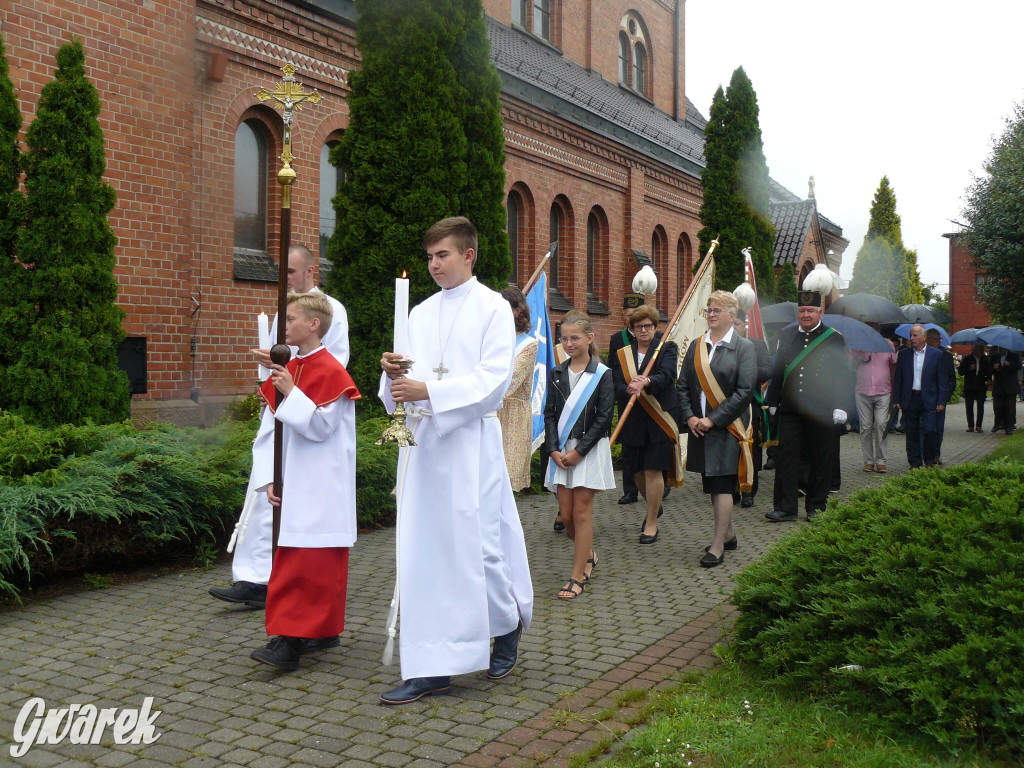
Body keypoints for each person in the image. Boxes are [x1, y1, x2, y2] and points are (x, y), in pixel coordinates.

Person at [378, 216, 533, 705]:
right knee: (426, 552)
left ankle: (504, 625)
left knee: (479, 548)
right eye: (429, 257)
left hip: (470, 447)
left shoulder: (492, 310)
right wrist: (392, 377)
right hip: (425, 450)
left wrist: (432, 390)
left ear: (469, 255)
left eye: (442, 255)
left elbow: (493, 383)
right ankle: (433, 664)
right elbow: (399, 395)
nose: (433, 264)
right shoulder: (419, 314)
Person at [210, 244, 350, 610]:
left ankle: (280, 583)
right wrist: (268, 382)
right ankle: (252, 576)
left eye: (290, 272)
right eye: (282, 273)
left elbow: (328, 363)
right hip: (281, 408)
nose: (284, 278)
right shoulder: (284, 309)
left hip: (306, 410)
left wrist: (289, 385)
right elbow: (282, 355)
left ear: (310, 271)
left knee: (287, 497)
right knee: (263, 487)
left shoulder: (331, 310)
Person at [248, 292, 361, 670]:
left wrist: (290, 393)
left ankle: (291, 641)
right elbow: (268, 430)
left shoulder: (332, 372)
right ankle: (311, 631)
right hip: (291, 477)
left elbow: (320, 427)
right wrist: (268, 477)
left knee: (313, 562)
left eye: (292, 318)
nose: (285, 326)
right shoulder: (289, 368)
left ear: (314, 325)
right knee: (293, 559)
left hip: (321, 481)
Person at [678, 291, 756, 566]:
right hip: (700, 427)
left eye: (717, 310)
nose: (710, 314)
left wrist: (714, 419)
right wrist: (690, 417)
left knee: (723, 484)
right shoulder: (697, 346)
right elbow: (683, 386)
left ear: (732, 316)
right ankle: (730, 534)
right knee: (711, 483)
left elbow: (745, 391)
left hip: (728, 428)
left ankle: (717, 545)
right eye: (709, 309)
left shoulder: (744, 348)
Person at [544, 311, 615, 599]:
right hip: (561, 450)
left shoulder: (602, 374)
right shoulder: (557, 373)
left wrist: (579, 452)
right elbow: (549, 414)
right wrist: (552, 449)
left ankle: (576, 577)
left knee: (582, 513)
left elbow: (604, 418)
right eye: (564, 339)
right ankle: (587, 555)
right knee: (568, 515)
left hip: (588, 449)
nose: (569, 343)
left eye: (575, 338)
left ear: (589, 338)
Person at [765, 291, 851, 522]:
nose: (806, 315)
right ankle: (785, 507)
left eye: (810, 311)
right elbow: (779, 370)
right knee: (786, 458)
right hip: (791, 408)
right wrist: (772, 401)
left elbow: (843, 374)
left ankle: (816, 507)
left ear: (820, 312)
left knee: (820, 459)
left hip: (822, 409)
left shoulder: (833, 337)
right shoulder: (787, 333)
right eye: (802, 311)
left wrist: (841, 406)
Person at [612, 304, 680, 544]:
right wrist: (628, 387)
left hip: (658, 416)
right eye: (639, 326)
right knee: (636, 471)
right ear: (631, 328)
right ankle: (655, 503)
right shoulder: (623, 353)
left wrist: (647, 381)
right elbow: (614, 381)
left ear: (654, 327)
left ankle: (651, 522)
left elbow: (669, 375)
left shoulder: (666, 348)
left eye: (648, 325)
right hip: (632, 418)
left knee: (653, 468)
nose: (643, 330)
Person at [892, 324, 950, 468]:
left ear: (924, 337)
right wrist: (896, 399)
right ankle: (915, 462)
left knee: (930, 430)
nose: (912, 338)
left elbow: (942, 381)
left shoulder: (936, 355)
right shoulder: (904, 354)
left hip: (929, 399)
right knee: (911, 432)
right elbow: (898, 378)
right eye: (911, 335)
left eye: (915, 335)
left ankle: (929, 461)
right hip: (911, 399)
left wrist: (942, 400)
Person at [607, 293, 645, 506]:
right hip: (625, 397)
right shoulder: (617, 339)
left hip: (649, 398)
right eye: (628, 314)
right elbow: (613, 369)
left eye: (635, 314)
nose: (631, 318)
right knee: (629, 447)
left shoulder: (656, 338)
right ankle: (630, 490)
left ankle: (659, 484)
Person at [498, 286, 537, 492]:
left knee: (505, 483)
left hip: (511, 416)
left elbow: (510, 383)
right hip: (488, 413)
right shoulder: (491, 339)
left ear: (518, 311)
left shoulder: (528, 345)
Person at [730, 310, 771, 507]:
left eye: (736, 323)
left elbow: (768, 370)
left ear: (745, 325)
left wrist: (745, 372)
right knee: (729, 448)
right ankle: (731, 489)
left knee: (750, 447)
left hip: (749, 404)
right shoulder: (719, 345)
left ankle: (748, 490)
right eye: (730, 323)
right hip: (725, 404)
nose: (733, 328)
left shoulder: (757, 345)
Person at [850, 333, 897, 473]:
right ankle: (869, 460)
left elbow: (894, 364)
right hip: (862, 391)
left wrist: (894, 389)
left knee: (881, 424)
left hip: (883, 390)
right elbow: (850, 365)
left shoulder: (887, 344)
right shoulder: (857, 345)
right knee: (865, 427)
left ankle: (881, 460)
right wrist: (859, 354)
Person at [926, 329, 956, 463]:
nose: (937, 342)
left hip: (939, 399)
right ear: (927, 340)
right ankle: (925, 454)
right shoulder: (921, 354)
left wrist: (945, 398)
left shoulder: (946, 356)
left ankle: (936, 454)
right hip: (924, 398)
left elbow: (952, 380)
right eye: (934, 340)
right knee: (925, 428)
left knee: (938, 428)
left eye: (938, 340)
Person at [959, 342, 991, 433]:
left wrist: (988, 379)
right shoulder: (967, 359)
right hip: (969, 386)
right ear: (974, 351)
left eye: (981, 351)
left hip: (981, 386)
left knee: (980, 406)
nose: (980, 353)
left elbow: (988, 371)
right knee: (969, 406)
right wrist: (969, 369)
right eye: (978, 351)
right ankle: (970, 426)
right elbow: (961, 371)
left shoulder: (985, 360)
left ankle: (979, 426)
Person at [990, 346, 1022, 435]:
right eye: (1000, 348)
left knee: (1010, 408)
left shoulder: (1014, 356)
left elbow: (1019, 366)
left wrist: (1010, 364)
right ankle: (997, 424)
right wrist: (994, 367)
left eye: (1003, 348)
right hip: (999, 386)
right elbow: (989, 370)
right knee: (997, 406)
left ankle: (1009, 427)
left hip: (1010, 386)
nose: (1001, 350)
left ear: (1007, 348)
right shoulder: (995, 357)